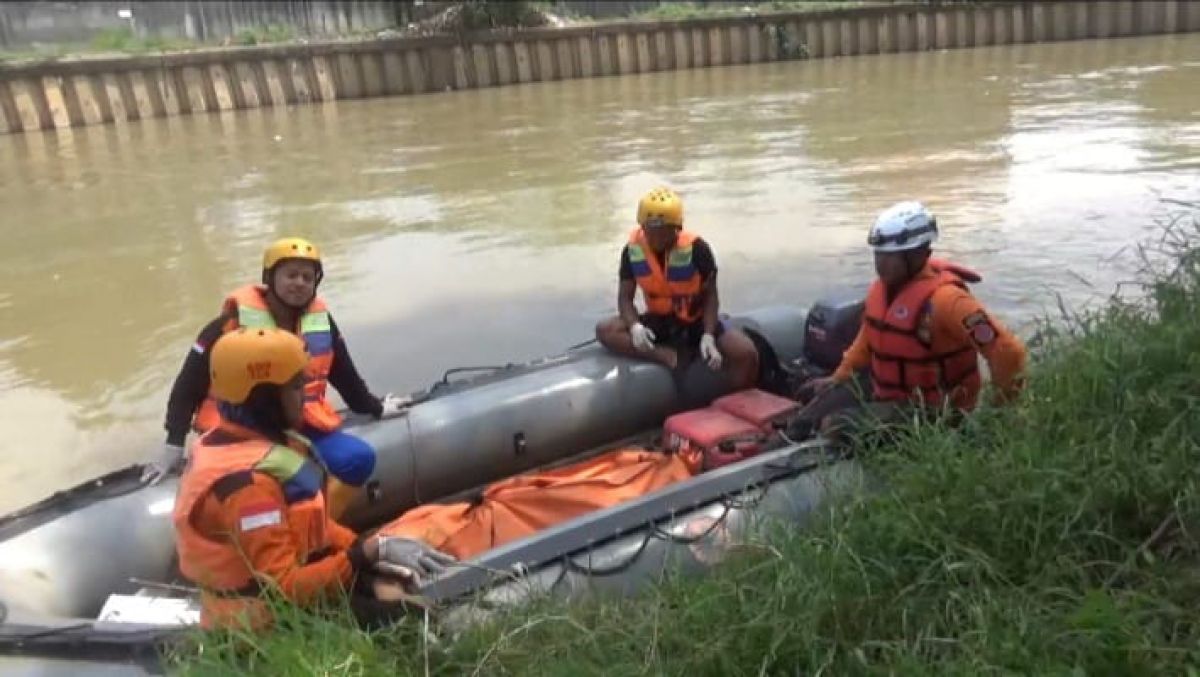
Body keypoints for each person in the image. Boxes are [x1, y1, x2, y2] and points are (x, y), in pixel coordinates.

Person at [172, 327, 456, 630]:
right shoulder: (249, 489)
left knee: (390, 578)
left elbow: (310, 527)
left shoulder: (234, 440)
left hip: (283, 590)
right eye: (296, 387)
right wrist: (368, 553)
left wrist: (365, 548)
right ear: (263, 397)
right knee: (407, 615)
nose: (305, 398)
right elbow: (287, 588)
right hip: (263, 621)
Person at [150, 237, 410, 520]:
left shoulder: (320, 322)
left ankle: (316, 529)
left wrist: (376, 407)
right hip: (239, 428)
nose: (299, 283)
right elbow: (188, 384)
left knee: (358, 458)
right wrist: (174, 443)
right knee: (287, 478)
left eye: (307, 278)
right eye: (291, 275)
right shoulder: (229, 325)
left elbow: (345, 376)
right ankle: (280, 533)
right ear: (269, 278)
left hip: (297, 424)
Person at [798, 200, 1027, 440]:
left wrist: (1001, 411)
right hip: (889, 393)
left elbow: (1008, 352)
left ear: (920, 254)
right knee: (811, 410)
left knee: (835, 425)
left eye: (890, 256)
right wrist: (837, 379)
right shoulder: (881, 291)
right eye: (879, 254)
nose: (881, 263)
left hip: (932, 410)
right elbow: (866, 343)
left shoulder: (948, 301)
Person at [595, 186, 759, 390]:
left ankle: (735, 402)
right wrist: (635, 326)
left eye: (662, 233)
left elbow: (711, 297)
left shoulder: (698, 249)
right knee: (606, 330)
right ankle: (668, 357)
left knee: (745, 352)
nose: (655, 240)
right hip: (660, 321)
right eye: (649, 232)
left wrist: (708, 335)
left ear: (677, 228)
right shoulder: (632, 251)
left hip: (695, 320)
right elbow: (625, 299)